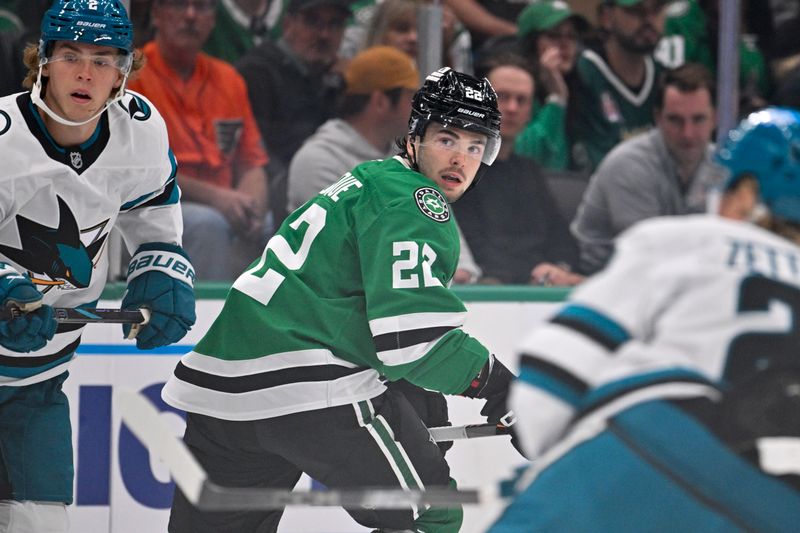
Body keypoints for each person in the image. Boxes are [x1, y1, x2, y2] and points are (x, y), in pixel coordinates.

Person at [162, 67, 521, 533]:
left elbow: (359, 315)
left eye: (476, 147)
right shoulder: (414, 201)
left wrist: (404, 388)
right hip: (308, 388)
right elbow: (412, 338)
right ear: (414, 137)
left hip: (221, 390)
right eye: (447, 139)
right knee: (428, 510)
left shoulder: (367, 181)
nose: (461, 159)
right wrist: (501, 387)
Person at [490, 107, 800, 532]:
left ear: (746, 193)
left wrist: (550, 467)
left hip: (657, 442)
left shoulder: (687, 240)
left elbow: (557, 366)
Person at [0, 1, 196, 532]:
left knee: (41, 524)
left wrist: (159, 268)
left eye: (104, 59)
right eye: (71, 56)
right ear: (42, 61)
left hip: (38, 380)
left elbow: (153, 211)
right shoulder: (3, 140)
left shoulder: (141, 130)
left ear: (124, 72)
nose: (86, 72)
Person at [128, 0, 271, 281]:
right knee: (208, 224)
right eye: (179, 5)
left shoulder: (229, 78)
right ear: (156, 13)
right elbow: (139, 170)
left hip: (224, 202)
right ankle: (202, 322)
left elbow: (253, 162)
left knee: (270, 225)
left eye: (203, 7)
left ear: (214, 20)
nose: (191, 16)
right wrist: (218, 198)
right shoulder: (132, 75)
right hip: (156, 205)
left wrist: (249, 206)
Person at [571, 62, 717, 274]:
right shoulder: (628, 164)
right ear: (657, 118)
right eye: (675, 120)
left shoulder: (724, 165)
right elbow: (651, 257)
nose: (688, 133)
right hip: (597, 285)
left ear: (715, 118)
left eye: (698, 119)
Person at [456, 53, 581, 286]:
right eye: (502, 97)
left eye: (522, 100)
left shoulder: (529, 171)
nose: (512, 108)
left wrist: (558, 268)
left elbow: (564, 243)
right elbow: (477, 253)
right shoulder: (456, 169)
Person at [236, 0, 351, 227]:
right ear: (288, 24)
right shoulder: (256, 72)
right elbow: (258, 150)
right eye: (313, 22)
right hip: (277, 194)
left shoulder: (338, 78)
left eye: (334, 25)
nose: (324, 34)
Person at [570, 0, 668, 173]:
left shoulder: (664, 77)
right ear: (607, 17)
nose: (649, 20)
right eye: (636, 11)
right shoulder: (581, 74)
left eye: (657, 10)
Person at [513, 0, 589, 171]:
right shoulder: (513, 95)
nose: (565, 44)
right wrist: (556, 101)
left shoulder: (583, 88)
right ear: (530, 44)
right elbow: (532, 160)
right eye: (554, 35)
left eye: (571, 36)